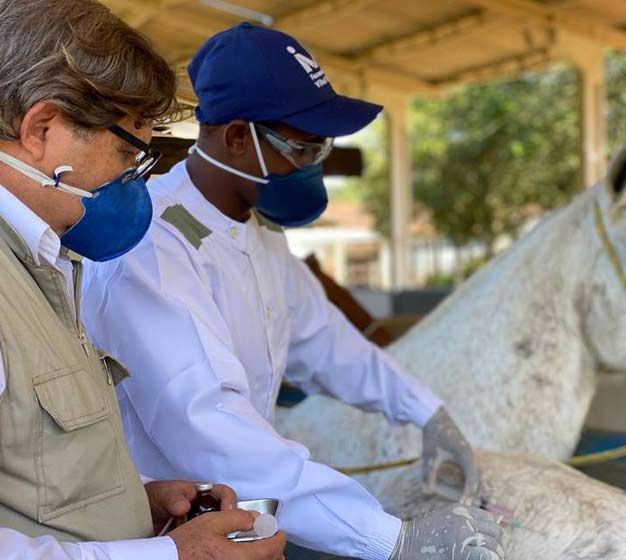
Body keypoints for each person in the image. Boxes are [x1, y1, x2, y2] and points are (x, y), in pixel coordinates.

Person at [82, 22, 503, 560]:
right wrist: (393, 539)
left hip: (240, 520)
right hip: (158, 533)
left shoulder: (258, 235)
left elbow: (331, 345)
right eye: (303, 149)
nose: (314, 166)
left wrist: (427, 413)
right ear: (237, 138)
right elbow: (210, 423)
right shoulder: (151, 243)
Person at [0, 3, 285, 559]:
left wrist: (131, 505)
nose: (134, 182)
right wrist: (176, 556)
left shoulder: (45, 267)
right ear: (40, 130)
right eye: (128, 154)